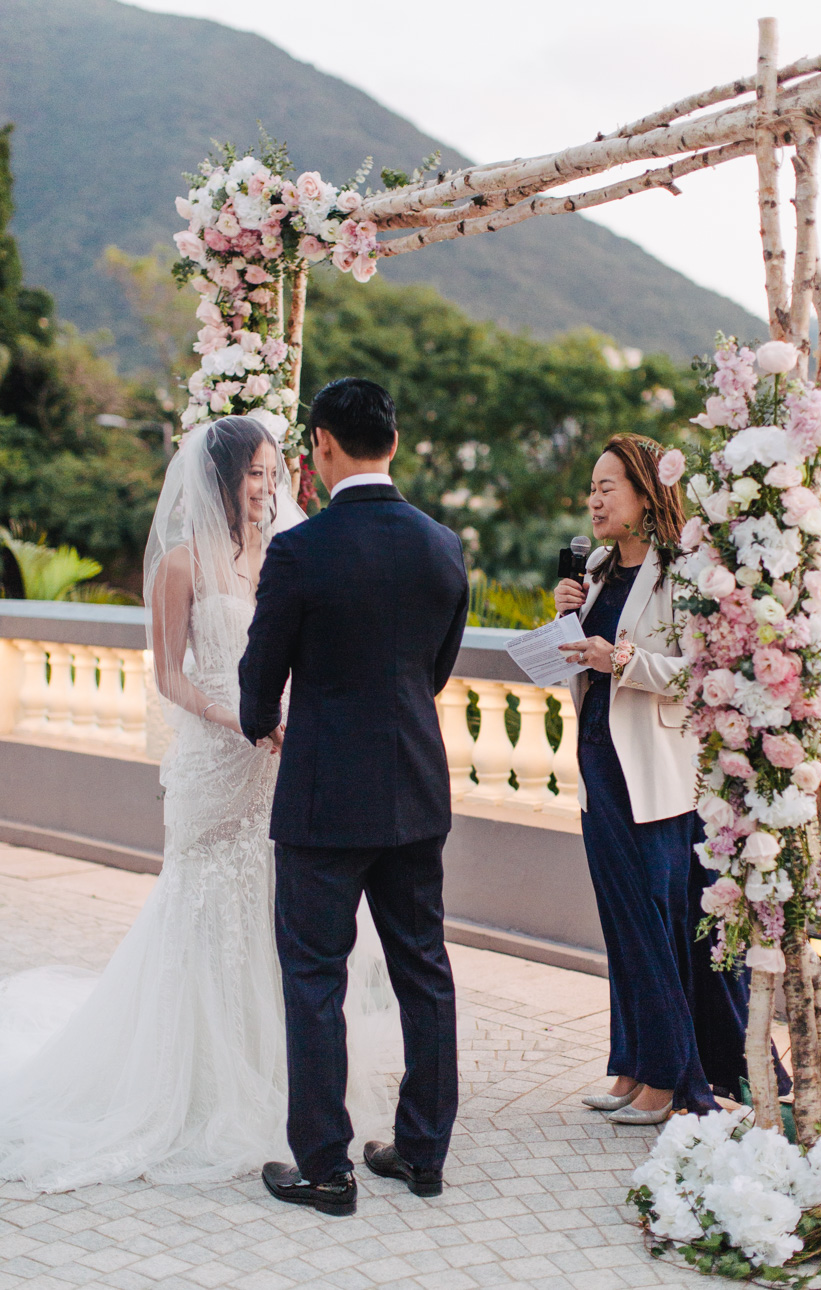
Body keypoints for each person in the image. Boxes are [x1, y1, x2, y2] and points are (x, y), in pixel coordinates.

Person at [0, 416, 396, 1191]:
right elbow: (168, 678)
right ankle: (187, 1080)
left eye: (272, 472)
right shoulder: (180, 565)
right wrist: (238, 720)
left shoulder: (285, 556)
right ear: (218, 479)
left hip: (278, 760)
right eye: (253, 474)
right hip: (216, 759)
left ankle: (284, 1075)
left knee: (271, 905)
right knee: (204, 901)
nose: (267, 487)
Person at [239, 377, 469, 1217]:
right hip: (414, 788)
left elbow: (262, 671)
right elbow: (435, 669)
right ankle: (423, 1152)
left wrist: (261, 720)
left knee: (313, 979)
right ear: (394, 445)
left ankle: (326, 1169)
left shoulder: (301, 550)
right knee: (425, 973)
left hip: (324, 798)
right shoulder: (443, 545)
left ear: (321, 446)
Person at [555, 433, 753, 1125]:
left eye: (608, 486)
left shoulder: (684, 571)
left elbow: (703, 676)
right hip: (597, 764)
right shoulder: (601, 568)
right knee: (620, 923)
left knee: (654, 927)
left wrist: (626, 660)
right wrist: (563, 617)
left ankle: (670, 1081)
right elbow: (582, 660)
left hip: (656, 776)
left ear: (646, 493)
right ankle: (633, 1065)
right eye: (591, 487)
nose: (594, 499)